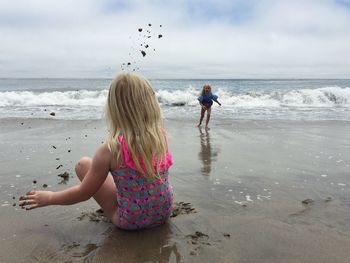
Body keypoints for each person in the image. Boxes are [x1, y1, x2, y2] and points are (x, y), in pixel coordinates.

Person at [19, 72, 174, 230]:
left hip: (130, 221)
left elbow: (84, 193)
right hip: (163, 214)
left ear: (114, 108)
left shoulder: (110, 150)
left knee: (83, 165)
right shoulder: (160, 136)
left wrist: (50, 197)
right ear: (151, 103)